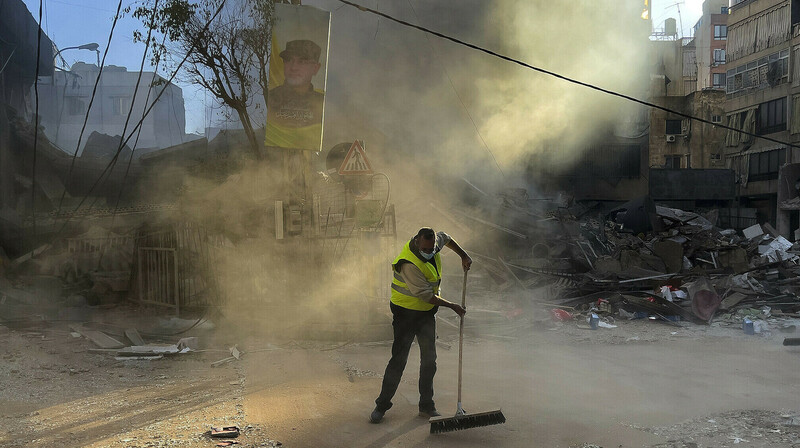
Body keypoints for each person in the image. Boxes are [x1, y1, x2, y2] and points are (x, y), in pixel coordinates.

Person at [370, 227, 472, 423]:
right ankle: (381, 406)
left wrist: (464, 256)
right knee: (398, 361)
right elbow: (425, 295)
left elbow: (447, 237)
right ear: (417, 242)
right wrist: (452, 306)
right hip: (405, 314)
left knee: (429, 360)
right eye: (425, 249)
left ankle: (426, 405)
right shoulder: (408, 263)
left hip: (425, 314)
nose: (429, 252)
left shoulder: (433, 244)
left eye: (432, 248)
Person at [265, 39, 325, 149]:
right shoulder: (269, 98)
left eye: (302, 61)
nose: (293, 67)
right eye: (288, 60)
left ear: (315, 68)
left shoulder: (323, 104)